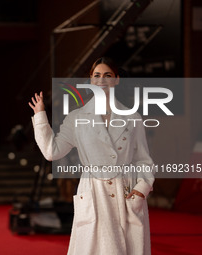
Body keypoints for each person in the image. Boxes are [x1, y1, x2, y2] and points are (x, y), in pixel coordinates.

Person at [28, 57, 154, 255]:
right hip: (94, 193)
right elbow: (52, 151)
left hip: (126, 192)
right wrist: (40, 116)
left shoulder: (133, 117)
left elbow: (144, 160)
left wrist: (141, 189)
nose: (101, 80)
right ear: (90, 80)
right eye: (96, 76)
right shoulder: (77, 117)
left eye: (107, 75)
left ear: (117, 79)